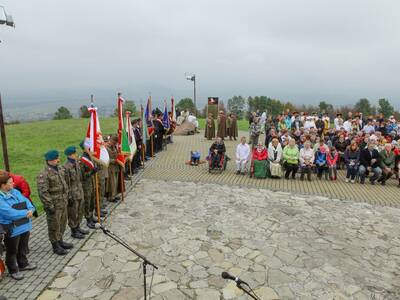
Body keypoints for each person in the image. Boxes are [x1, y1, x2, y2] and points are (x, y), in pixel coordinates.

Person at [0, 171, 36, 280]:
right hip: (11, 227)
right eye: (10, 182)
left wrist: (31, 209)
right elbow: (9, 213)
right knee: (12, 250)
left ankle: (23, 263)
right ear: (3, 185)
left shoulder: (15, 191)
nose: (13, 184)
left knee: (23, 246)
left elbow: (27, 202)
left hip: (24, 224)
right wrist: (26, 213)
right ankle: (13, 270)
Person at [37, 150, 73, 256]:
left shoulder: (60, 169)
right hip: (54, 205)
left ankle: (60, 240)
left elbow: (65, 184)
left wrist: (68, 197)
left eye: (58, 158)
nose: (58, 160)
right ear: (49, 160)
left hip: (63, 202)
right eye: (56, 159)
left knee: (62, 223)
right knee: (54, 226)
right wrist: (49, 206)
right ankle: (55, 245)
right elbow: (43, 192)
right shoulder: (43, 174)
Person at [63, 146, 86, 239]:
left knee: (80, 210)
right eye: (75, 153)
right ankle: (74, 230)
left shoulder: (76, 163)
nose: (76, 155)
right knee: (73, 213)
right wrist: (69, 196)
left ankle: (78, 227)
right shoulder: (66, 167)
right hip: (73, 193)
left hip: (79, 191)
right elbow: (66, 184)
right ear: (70, 155)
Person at [79, 141, 98, 229]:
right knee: (87, 201)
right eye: (88, 146)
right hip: (86, 185)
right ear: (84, 148)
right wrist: (92, 172)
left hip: (92, 182)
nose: (90, 147)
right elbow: (82, 176)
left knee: (92, 200)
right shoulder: (82, 160)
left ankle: (91, 216)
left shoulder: (90, 157)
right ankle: (88, 219)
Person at [106, 135, 122, 202]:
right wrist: (114, 161)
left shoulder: (114, 147)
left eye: (115, 143)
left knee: (116, 183)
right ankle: (111, 197)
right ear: (111, 140)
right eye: (113, 142)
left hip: (116, 167)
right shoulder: (106, 148)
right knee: (112, 183)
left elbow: (117, 154)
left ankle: (114, 195)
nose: (114, 144)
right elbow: (106, 159)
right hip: (111, 168)